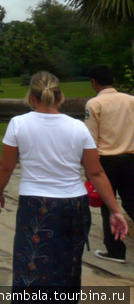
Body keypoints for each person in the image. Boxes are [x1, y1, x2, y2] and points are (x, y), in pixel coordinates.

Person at [0, 72, 127, 295]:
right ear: (60, 97)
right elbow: (96, 172)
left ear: (31, 98)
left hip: (36, 204)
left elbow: (6, 166)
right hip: (73, 205)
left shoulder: (19, 124)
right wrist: (115, 210)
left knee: (31, 265)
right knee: (68, 265)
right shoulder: (77, 127)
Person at [85, 64, 134, 263]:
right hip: (131, 158)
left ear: (94, 83)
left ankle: (115, 250)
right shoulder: (131, 100)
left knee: (108, 205)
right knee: (132, 202)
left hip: (106, 161)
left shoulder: (94, 104)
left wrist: (90, 169)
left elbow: (90, 139)